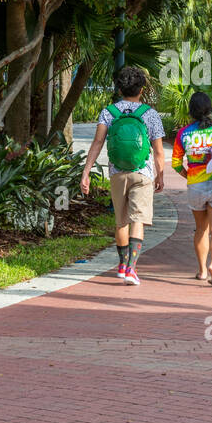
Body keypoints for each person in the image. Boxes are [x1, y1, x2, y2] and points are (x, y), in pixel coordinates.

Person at [80, 66, 166, 285]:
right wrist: (160, 175)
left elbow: (98, 142)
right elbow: (158, 150)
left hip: (117, 173)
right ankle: (131, 269)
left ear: (119, 88)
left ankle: (121, 265)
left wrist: (86, 171)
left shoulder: (109, 112)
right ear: (142, 89)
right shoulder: (150, 114)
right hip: (142, 173)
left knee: (121, 221)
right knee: (138, 218)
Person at [171, 91, 212, 287]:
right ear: (210, 109)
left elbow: (175, 163)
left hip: (195, 186)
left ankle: (201, 271)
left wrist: (189, 175)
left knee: (201, 229)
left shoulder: (183, 133)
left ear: (191, 112)